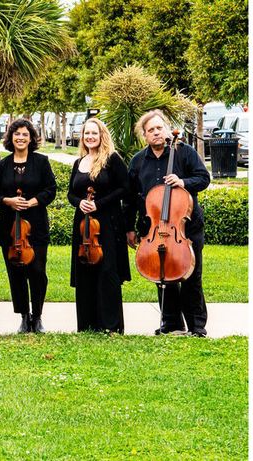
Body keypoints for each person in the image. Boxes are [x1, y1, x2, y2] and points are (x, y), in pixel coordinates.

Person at [125, 110, 211, 337]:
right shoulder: (138, 161)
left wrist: (183, 181)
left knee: (191, 276)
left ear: (166, 129)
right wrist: (129, 228)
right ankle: (171, 323)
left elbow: (204, 178)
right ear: (144, 135)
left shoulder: (184, 153)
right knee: (161, 274)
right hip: (154, 227)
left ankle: (196, 325)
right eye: (151, 130)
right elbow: (132, 198)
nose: (156, 133)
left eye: (159, 128)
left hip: (186, 227)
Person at [0, 119, 57, 333]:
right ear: (10, 137)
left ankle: (37, 316)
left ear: (31, 138)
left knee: (38, 271)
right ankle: (23, 316)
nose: (20, 137)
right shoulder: (1, 165)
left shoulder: (41, 162)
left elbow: (51, 189)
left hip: (35, 225)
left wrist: (33, 201)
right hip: (9, 228)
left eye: (25, 134)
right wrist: (8, 201)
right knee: (16, 272)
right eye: (16, 134)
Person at [68, 117, 130, 333]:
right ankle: (87, 324)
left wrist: (99, 204)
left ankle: (111, 325)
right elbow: (70, 194)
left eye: (94, 133)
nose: (90, 137)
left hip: (107, 222)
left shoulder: (112, 159)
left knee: (107, 272)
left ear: (102, 135)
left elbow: (125, 188)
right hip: (83, 224)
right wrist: (80, 203)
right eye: (87, 133)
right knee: (85, 270)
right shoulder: (79, 162)